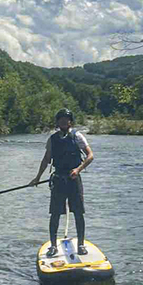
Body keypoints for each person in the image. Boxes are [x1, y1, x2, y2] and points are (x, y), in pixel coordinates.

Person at [30, 108, 93, 257]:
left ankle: (81, 245)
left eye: (67, 119)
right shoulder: (52, 139)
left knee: (78, 213)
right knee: (55, 214)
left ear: (70, 121)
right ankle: (53, 246)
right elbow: (46, 159)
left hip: (73, 179)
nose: (64, 121)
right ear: (57, 122)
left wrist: (78, 169)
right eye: (61, 119)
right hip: (58, 180)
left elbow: (90, 156)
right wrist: (38, 177)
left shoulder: (78, 137)